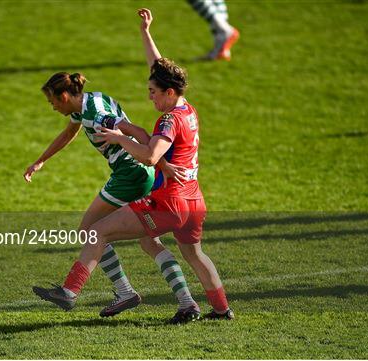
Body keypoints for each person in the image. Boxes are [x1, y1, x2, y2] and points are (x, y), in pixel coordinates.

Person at [32, 9, 234, 321]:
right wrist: (145, 31)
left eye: (153, 92)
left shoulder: (168, 119)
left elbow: (150, 153)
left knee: (95, 232)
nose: (149, 97)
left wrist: (119, 138)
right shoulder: (188, 108)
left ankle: (71, 291)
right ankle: (218, 309)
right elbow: (160, 69)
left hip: (169, 201)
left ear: (168, 92)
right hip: (194, 199)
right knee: (190, 252)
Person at [26, 72, 201, 322]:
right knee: (149, 242)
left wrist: (161, 162)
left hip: (130, 173)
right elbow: (68, 134)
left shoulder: (95, 113)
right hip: (140, 172)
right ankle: (186, 302)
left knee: (88, 229)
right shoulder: (87, 104)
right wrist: (40, 161)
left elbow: (137, 131)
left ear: (64, 96)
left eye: (52, 101)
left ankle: (81, 291)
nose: (52, 106)